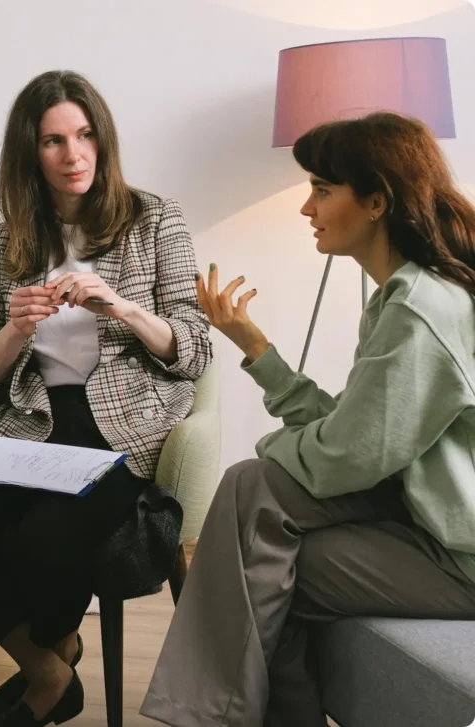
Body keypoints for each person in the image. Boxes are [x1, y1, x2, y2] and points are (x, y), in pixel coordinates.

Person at [140, 112, 475, 727]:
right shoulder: (401, 298)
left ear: (377, 201)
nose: (306, 208)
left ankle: (206, 714)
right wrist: (255, 347)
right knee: (259, 536)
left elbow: (347, 456)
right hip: (420, 522)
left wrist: (274, 446)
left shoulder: (422, 310)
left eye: (322, 190)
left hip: (460, 558)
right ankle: (213, 713)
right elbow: (356, 433)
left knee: (254, 492)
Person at [0, 70, 212, 727]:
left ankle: (54, 658)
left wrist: (123, 307)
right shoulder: (7, 241)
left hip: (121, 430)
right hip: (31, 428)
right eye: (53, 141)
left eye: (83, 136)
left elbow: (194, 347)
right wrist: (14, 329)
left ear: (101, 142)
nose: (72, 154)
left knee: (45, 536)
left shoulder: (154, 219)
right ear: (31, 153)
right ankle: (49, 668)